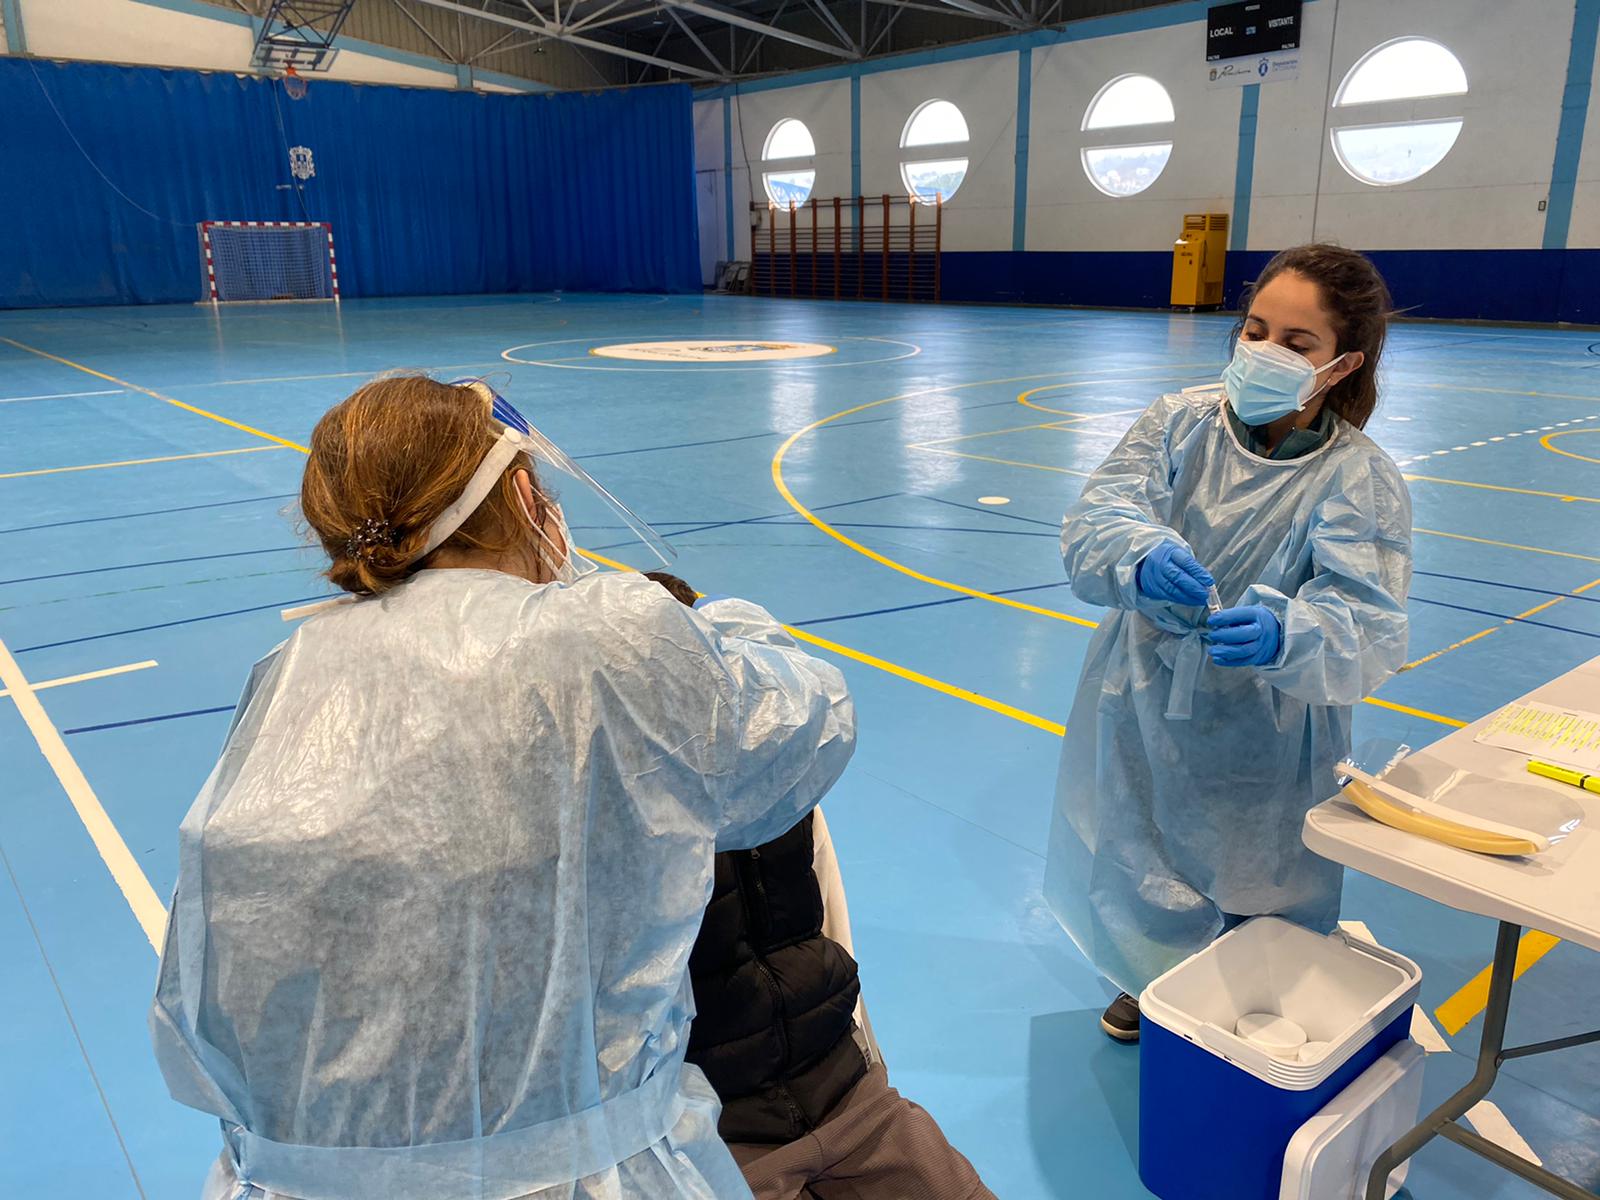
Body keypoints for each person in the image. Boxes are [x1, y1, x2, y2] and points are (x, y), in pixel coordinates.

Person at [148, 375, 857, 1200]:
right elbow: (805, 731)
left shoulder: (286, 675)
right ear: (524, 495)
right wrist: (719, 627)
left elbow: (203, 1001)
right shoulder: (604, 638)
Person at [1044, 244, 1413, 1043]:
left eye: (1296, 342)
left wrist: (1293, 633)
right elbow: (1097, 517)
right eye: (1256, 329)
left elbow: (1369, 622)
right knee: (1142, 834)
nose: (1264, 353)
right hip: (1145, 684)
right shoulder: (1179, 422)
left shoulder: (1360, 477)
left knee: (1263, 851)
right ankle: (1152, 982)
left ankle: (1254, 976)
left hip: (1272, 718)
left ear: (1342, 364)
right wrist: (1137, 555)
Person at [644, 573, 995, 1200]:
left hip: (849, 1095)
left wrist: (870, 1066)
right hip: (721, 1140)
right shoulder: (623, 837)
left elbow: (835, 923)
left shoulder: (785, 791)